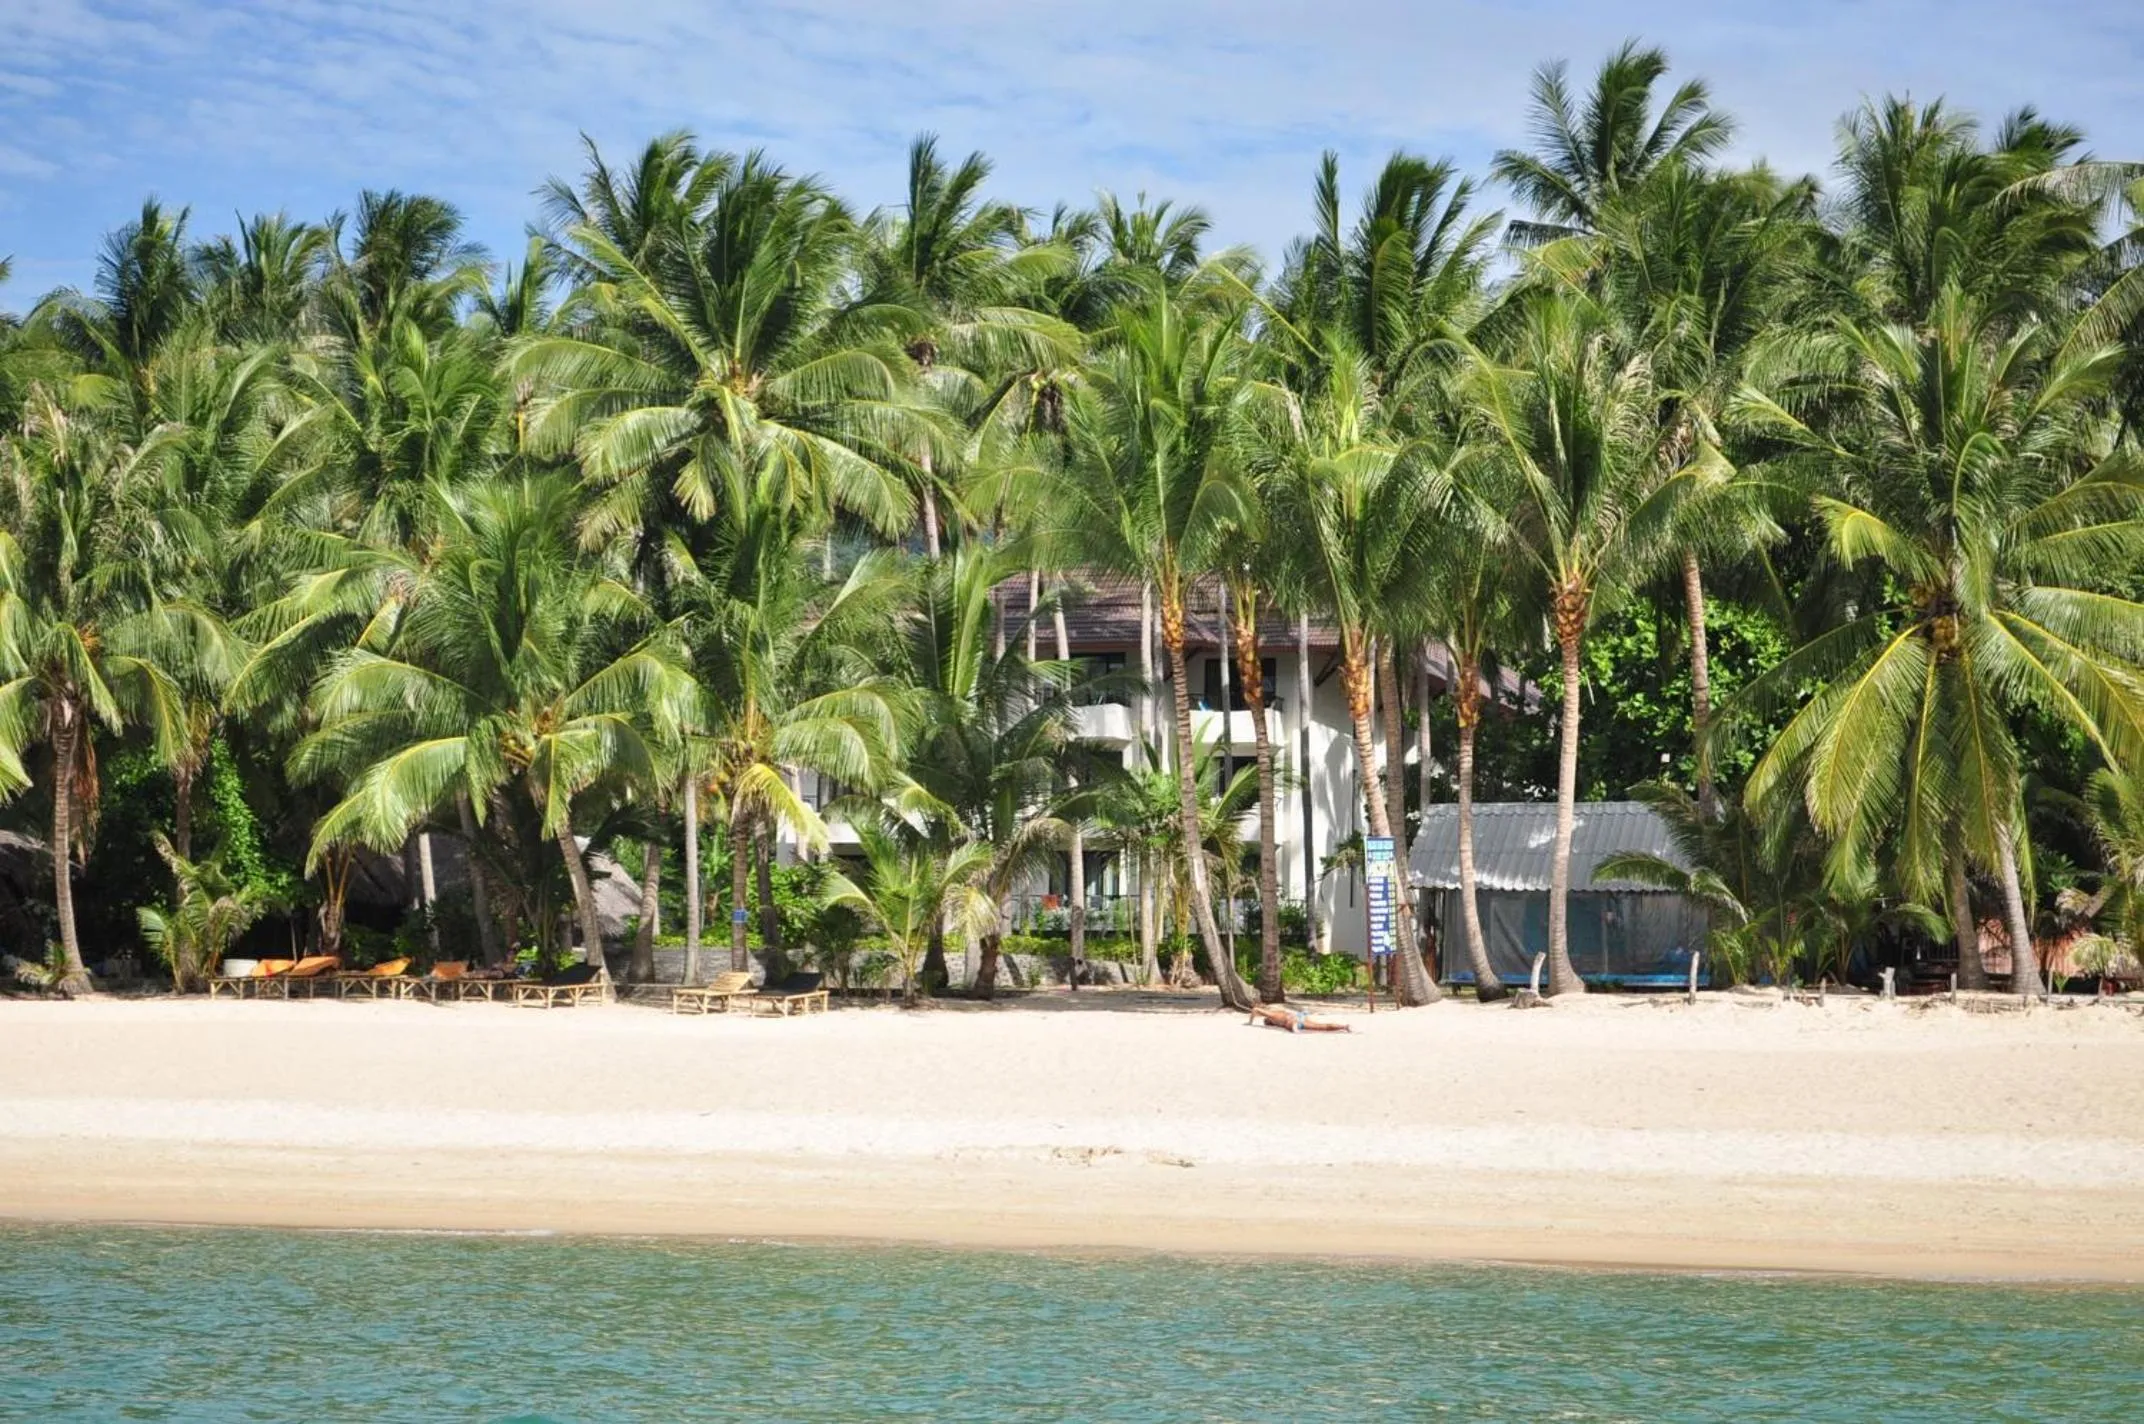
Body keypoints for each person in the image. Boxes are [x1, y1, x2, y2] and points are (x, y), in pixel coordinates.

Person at [1247, 1002, 1351, 1033]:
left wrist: (1250, 1023)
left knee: (1322, 1027)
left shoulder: (1273, 1015)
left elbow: (1256, 1009)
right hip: (1297, 1016)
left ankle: (1294, 1026)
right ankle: (1344, 1027)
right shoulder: (1278, 1012)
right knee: (1322, 1026)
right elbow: (1257, 1010)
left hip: (1292, 1020)